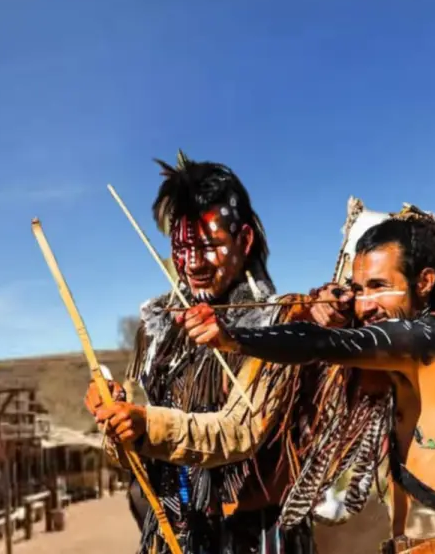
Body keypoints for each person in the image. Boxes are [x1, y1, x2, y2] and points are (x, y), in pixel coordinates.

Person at [96, 207, 435, 553]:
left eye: (379, 287)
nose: (364, 304)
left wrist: (234, 337)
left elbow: (322, 343)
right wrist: (141, 421)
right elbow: (257, 418)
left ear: (425, 283)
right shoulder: (390, 377)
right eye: (357, 289)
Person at [89, 152, 369, 554]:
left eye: (209, 246)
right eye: (182, 248)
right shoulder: (156, 331)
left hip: (256, 538)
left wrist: (146, 424)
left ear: (244, 240)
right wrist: (115, 416)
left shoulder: (277, 325)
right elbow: (132, 448)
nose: (193, 264)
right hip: (172, 536)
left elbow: (240, 432)